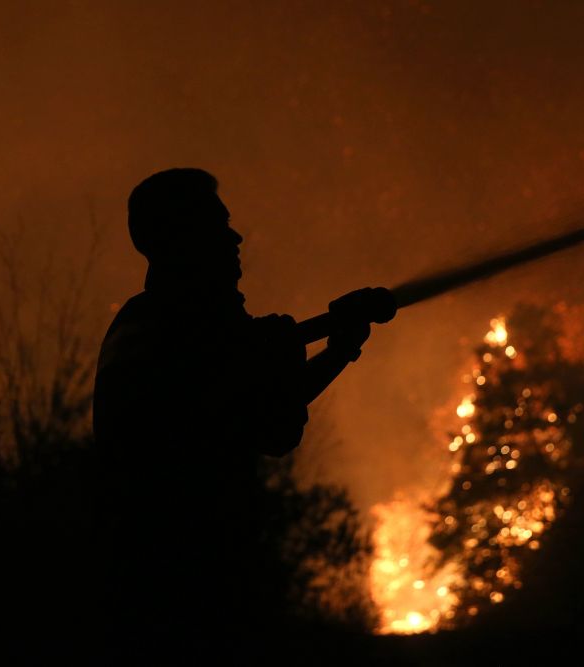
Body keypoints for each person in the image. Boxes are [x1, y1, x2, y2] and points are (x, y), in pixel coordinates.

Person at [92, 168, 394, 659]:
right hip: (180, 592)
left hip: (177, 582)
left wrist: (336, 351)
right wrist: (273, 357)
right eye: (217, 225)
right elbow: (265, 425)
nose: (235, 237)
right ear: (179, 238)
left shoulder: (158, 325)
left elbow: (255, 413)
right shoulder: (172, 332)